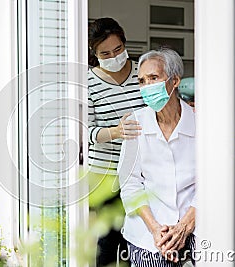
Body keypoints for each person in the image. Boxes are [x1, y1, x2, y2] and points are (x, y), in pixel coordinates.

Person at [118, 48, 196, 266]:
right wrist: (155, 230)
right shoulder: (135, 123)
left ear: (175, 81)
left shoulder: (201, 122)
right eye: (142, 81)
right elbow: (130, 184)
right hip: (147, 233)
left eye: (154, 78)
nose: (147, 86)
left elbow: (212, 181)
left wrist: (185, 226)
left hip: (195, 225)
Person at [87, 17, 145, 267]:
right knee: (110, 239)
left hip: (143, 170)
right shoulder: (88, 82)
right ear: (95, 53)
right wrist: (116, 131)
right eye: (106, 53)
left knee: (142, 235)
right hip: (105, 173)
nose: (114, 56)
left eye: (118, 49)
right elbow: (85, 131)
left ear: (125, 42)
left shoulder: (142, 71)